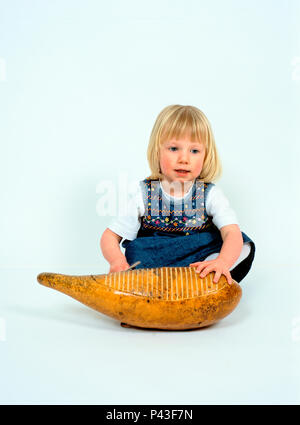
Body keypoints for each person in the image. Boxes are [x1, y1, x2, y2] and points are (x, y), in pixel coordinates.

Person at [100, 104, 255, 284]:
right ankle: (155, 283)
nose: (184, 159)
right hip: (156, 259)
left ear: (206, 156)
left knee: (242, 242)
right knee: (136, 250)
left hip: (197, 257)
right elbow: (110, 236)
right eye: (174, 149)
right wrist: (117, 261)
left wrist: (222, 261)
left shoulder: (209, 194)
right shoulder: (143, 194)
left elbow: (231, 232)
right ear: (157, 151)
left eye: (194, 151)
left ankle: (207, 275)